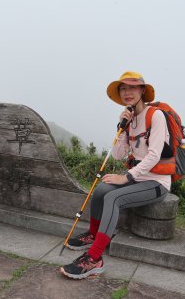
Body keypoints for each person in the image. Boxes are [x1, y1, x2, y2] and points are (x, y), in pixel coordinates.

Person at [59, 71, 171, 279]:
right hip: (138, 177)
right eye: (123, 88)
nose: (127, 92)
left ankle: (94, 259)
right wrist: (122, 127)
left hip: (156, 182)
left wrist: (126, 177)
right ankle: (93, 235)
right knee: (101, 189)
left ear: (142, 91)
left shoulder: (155, 116)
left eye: (131, 87)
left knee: (113, 197)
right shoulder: (131, 119)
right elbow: (119, 154)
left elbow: (154, 156)